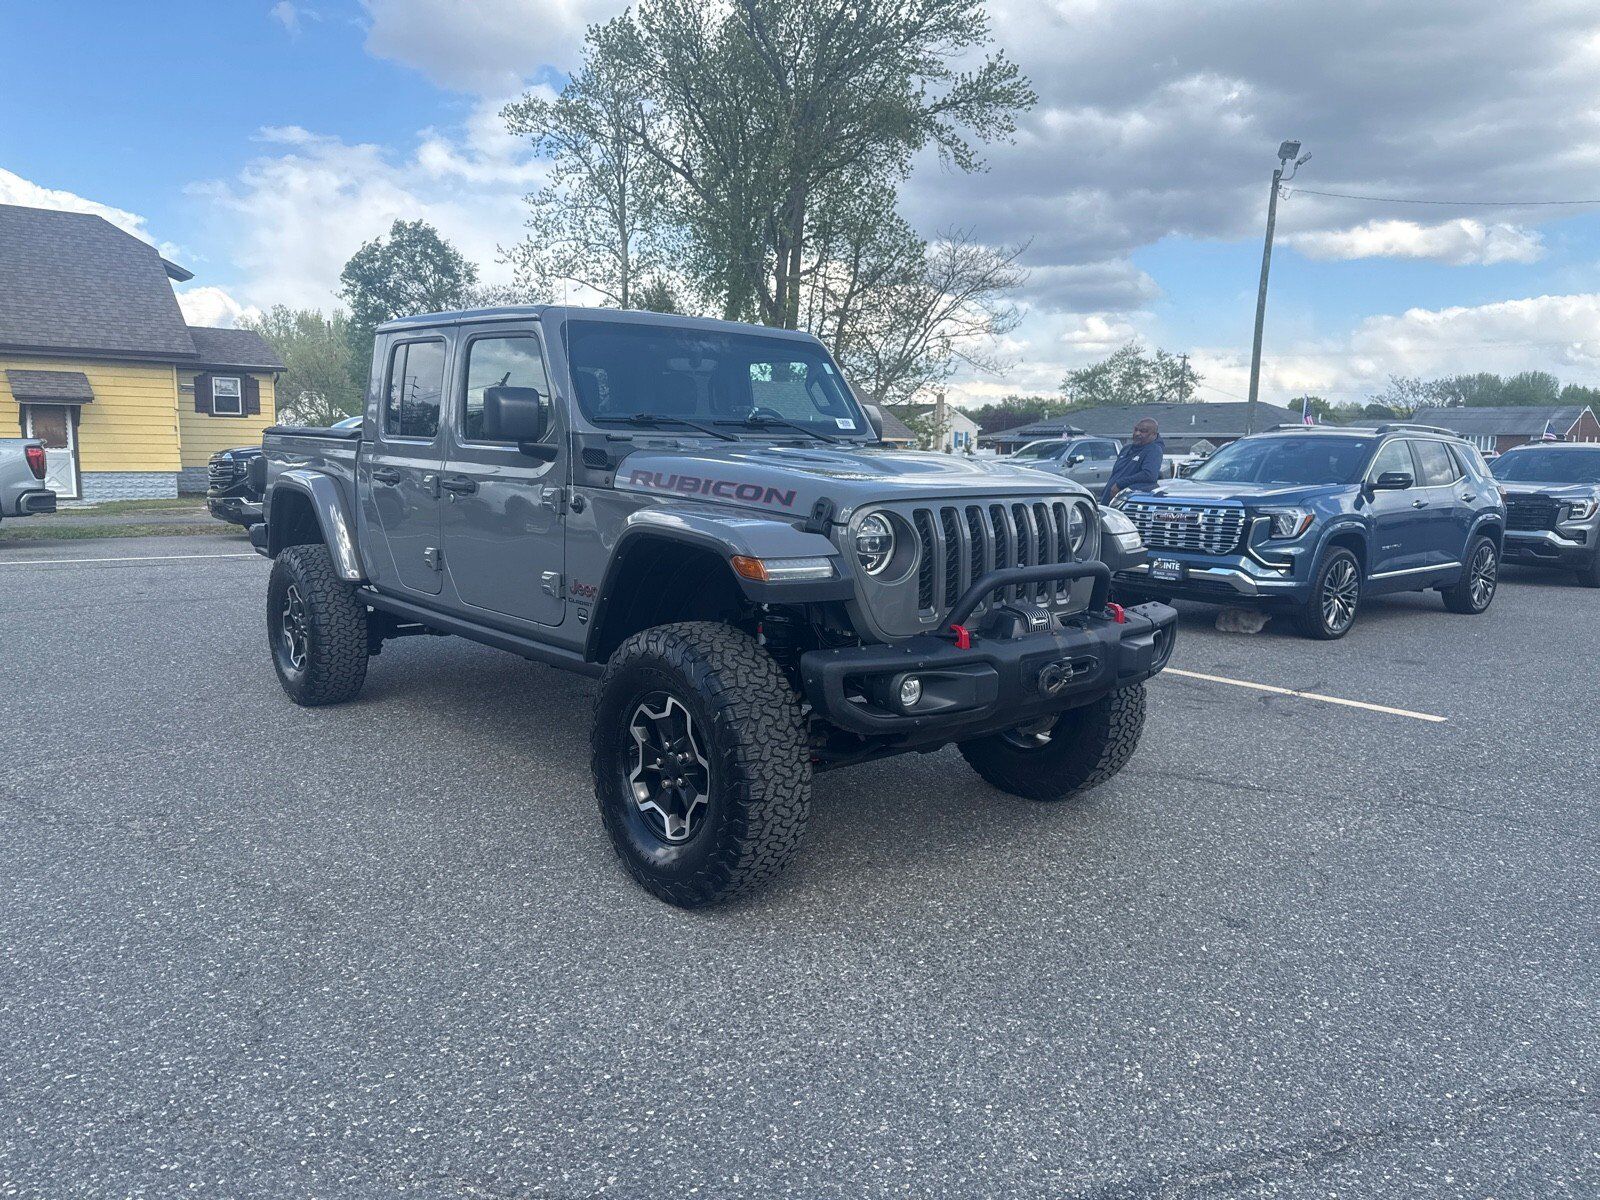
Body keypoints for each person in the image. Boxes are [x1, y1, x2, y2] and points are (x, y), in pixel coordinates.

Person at [1102, 418, 1164, 503]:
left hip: (1124, 503)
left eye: (1143, 431)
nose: (1137, 433)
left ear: (1154, 435)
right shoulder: (1126, 449)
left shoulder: (1154, 450)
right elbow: (1116, 474)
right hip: (1109, 501)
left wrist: (1120, 484)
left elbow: (1149, 475)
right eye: (1136, 430)